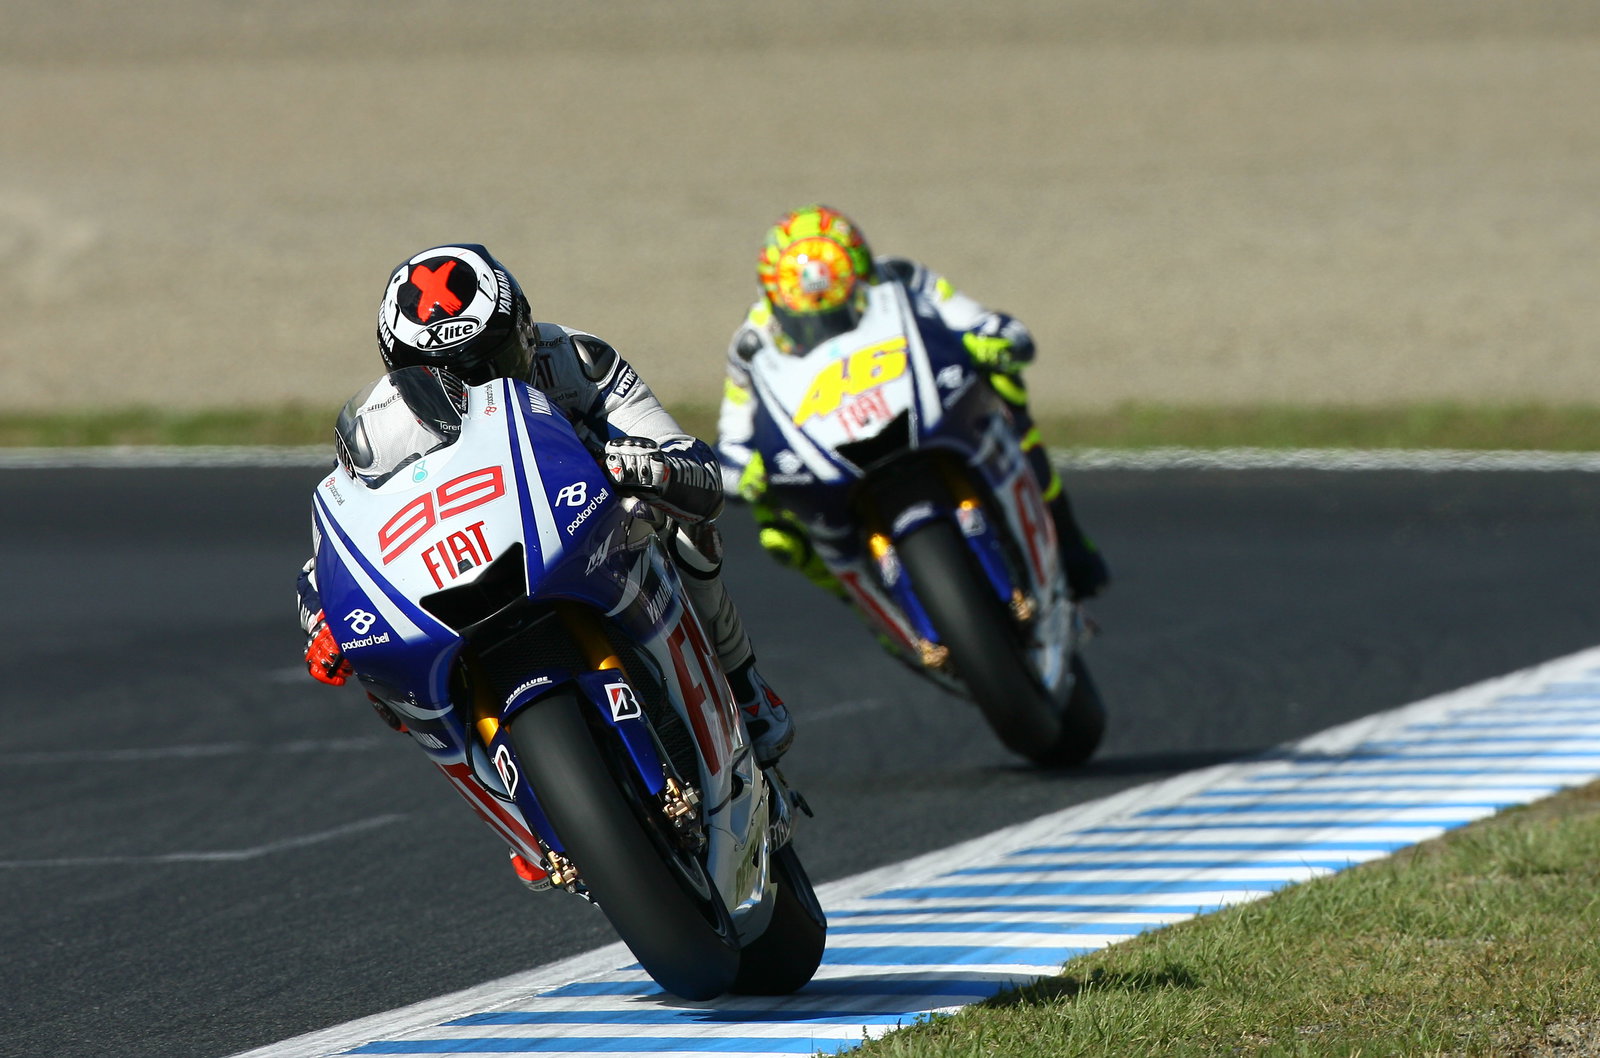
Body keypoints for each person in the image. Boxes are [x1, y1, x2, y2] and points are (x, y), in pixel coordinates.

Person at [298, 244, 795, 882]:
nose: (479, 383)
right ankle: (522, 818)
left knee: (686, 531)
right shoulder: (383, 426)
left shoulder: (578, 362)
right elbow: (338, 536)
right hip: (470, 556)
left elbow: (693, 466)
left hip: (589, 535)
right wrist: (318, 614)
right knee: (386, 681)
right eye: (453, 373)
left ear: (524, 327)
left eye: (494, 358)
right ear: (407, 373)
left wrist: (651, 466)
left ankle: (744, 687)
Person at [715, 204, 1110, 603]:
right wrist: (740, 473)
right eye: (807, 318)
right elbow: (733, 435)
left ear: (861, 276)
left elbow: (978, 321)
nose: (824, 324)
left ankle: (1066, 535)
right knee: (778, 531)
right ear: (776, 300)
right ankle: (874, 613)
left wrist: (995, 340)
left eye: (842, 305)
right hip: (825, 440)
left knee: (1004, 384)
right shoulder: (751, 342)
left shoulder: (903, 277)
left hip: (914, 405)